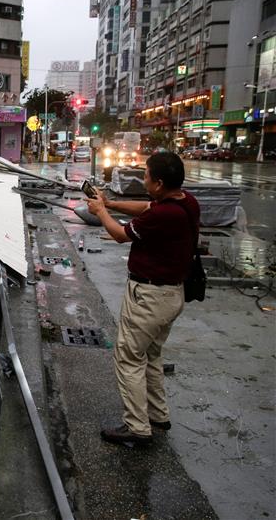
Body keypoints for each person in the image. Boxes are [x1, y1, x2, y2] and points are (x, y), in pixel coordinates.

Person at [86, 152, 200, 446]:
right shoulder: (184, 202)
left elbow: (120, 234)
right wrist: (110, 203)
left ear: (159, 183)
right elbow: (145, 207)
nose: (143, 178)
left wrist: (100, 212)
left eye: (147, 175)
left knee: (128, 357)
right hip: (170, 295)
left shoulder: (163, 215)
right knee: (151, 355)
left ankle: (137, 428)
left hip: (149, 297)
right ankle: (158, 415)